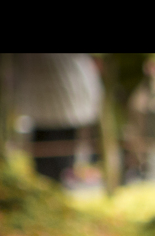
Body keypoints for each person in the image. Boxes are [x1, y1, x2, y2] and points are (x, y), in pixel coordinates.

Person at [14, 54, 102, 185]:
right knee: (49, 154)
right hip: (49, 103)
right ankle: (49, 183)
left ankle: (54, 182)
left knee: (61, 152)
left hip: (64, 102)